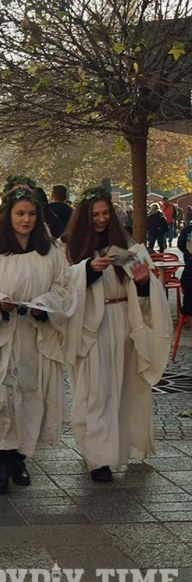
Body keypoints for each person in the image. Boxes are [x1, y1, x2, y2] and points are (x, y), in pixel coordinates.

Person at [0, 188, 73, 496]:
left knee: (29, 399)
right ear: (9, 216)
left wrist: (43, 304)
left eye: (31, 214)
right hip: (1, 338)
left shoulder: (50, 254)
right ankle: (0, 460)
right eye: (20, 213)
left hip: (34, 339)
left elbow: (63, 288)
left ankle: (19, 459)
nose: (26, 219)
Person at [64, 187, 171, 482]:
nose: (100, 219)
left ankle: (122, 447)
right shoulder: (72, 247)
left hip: (125, 323)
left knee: (126, 389)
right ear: (85, 217)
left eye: (105, 213)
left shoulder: (126, 244)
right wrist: (88, 270)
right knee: (96, 392)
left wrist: (141, 283)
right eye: (95, 214)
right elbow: (63, 287)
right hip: (92, 327)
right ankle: (98, 458)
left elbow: (149, 293)